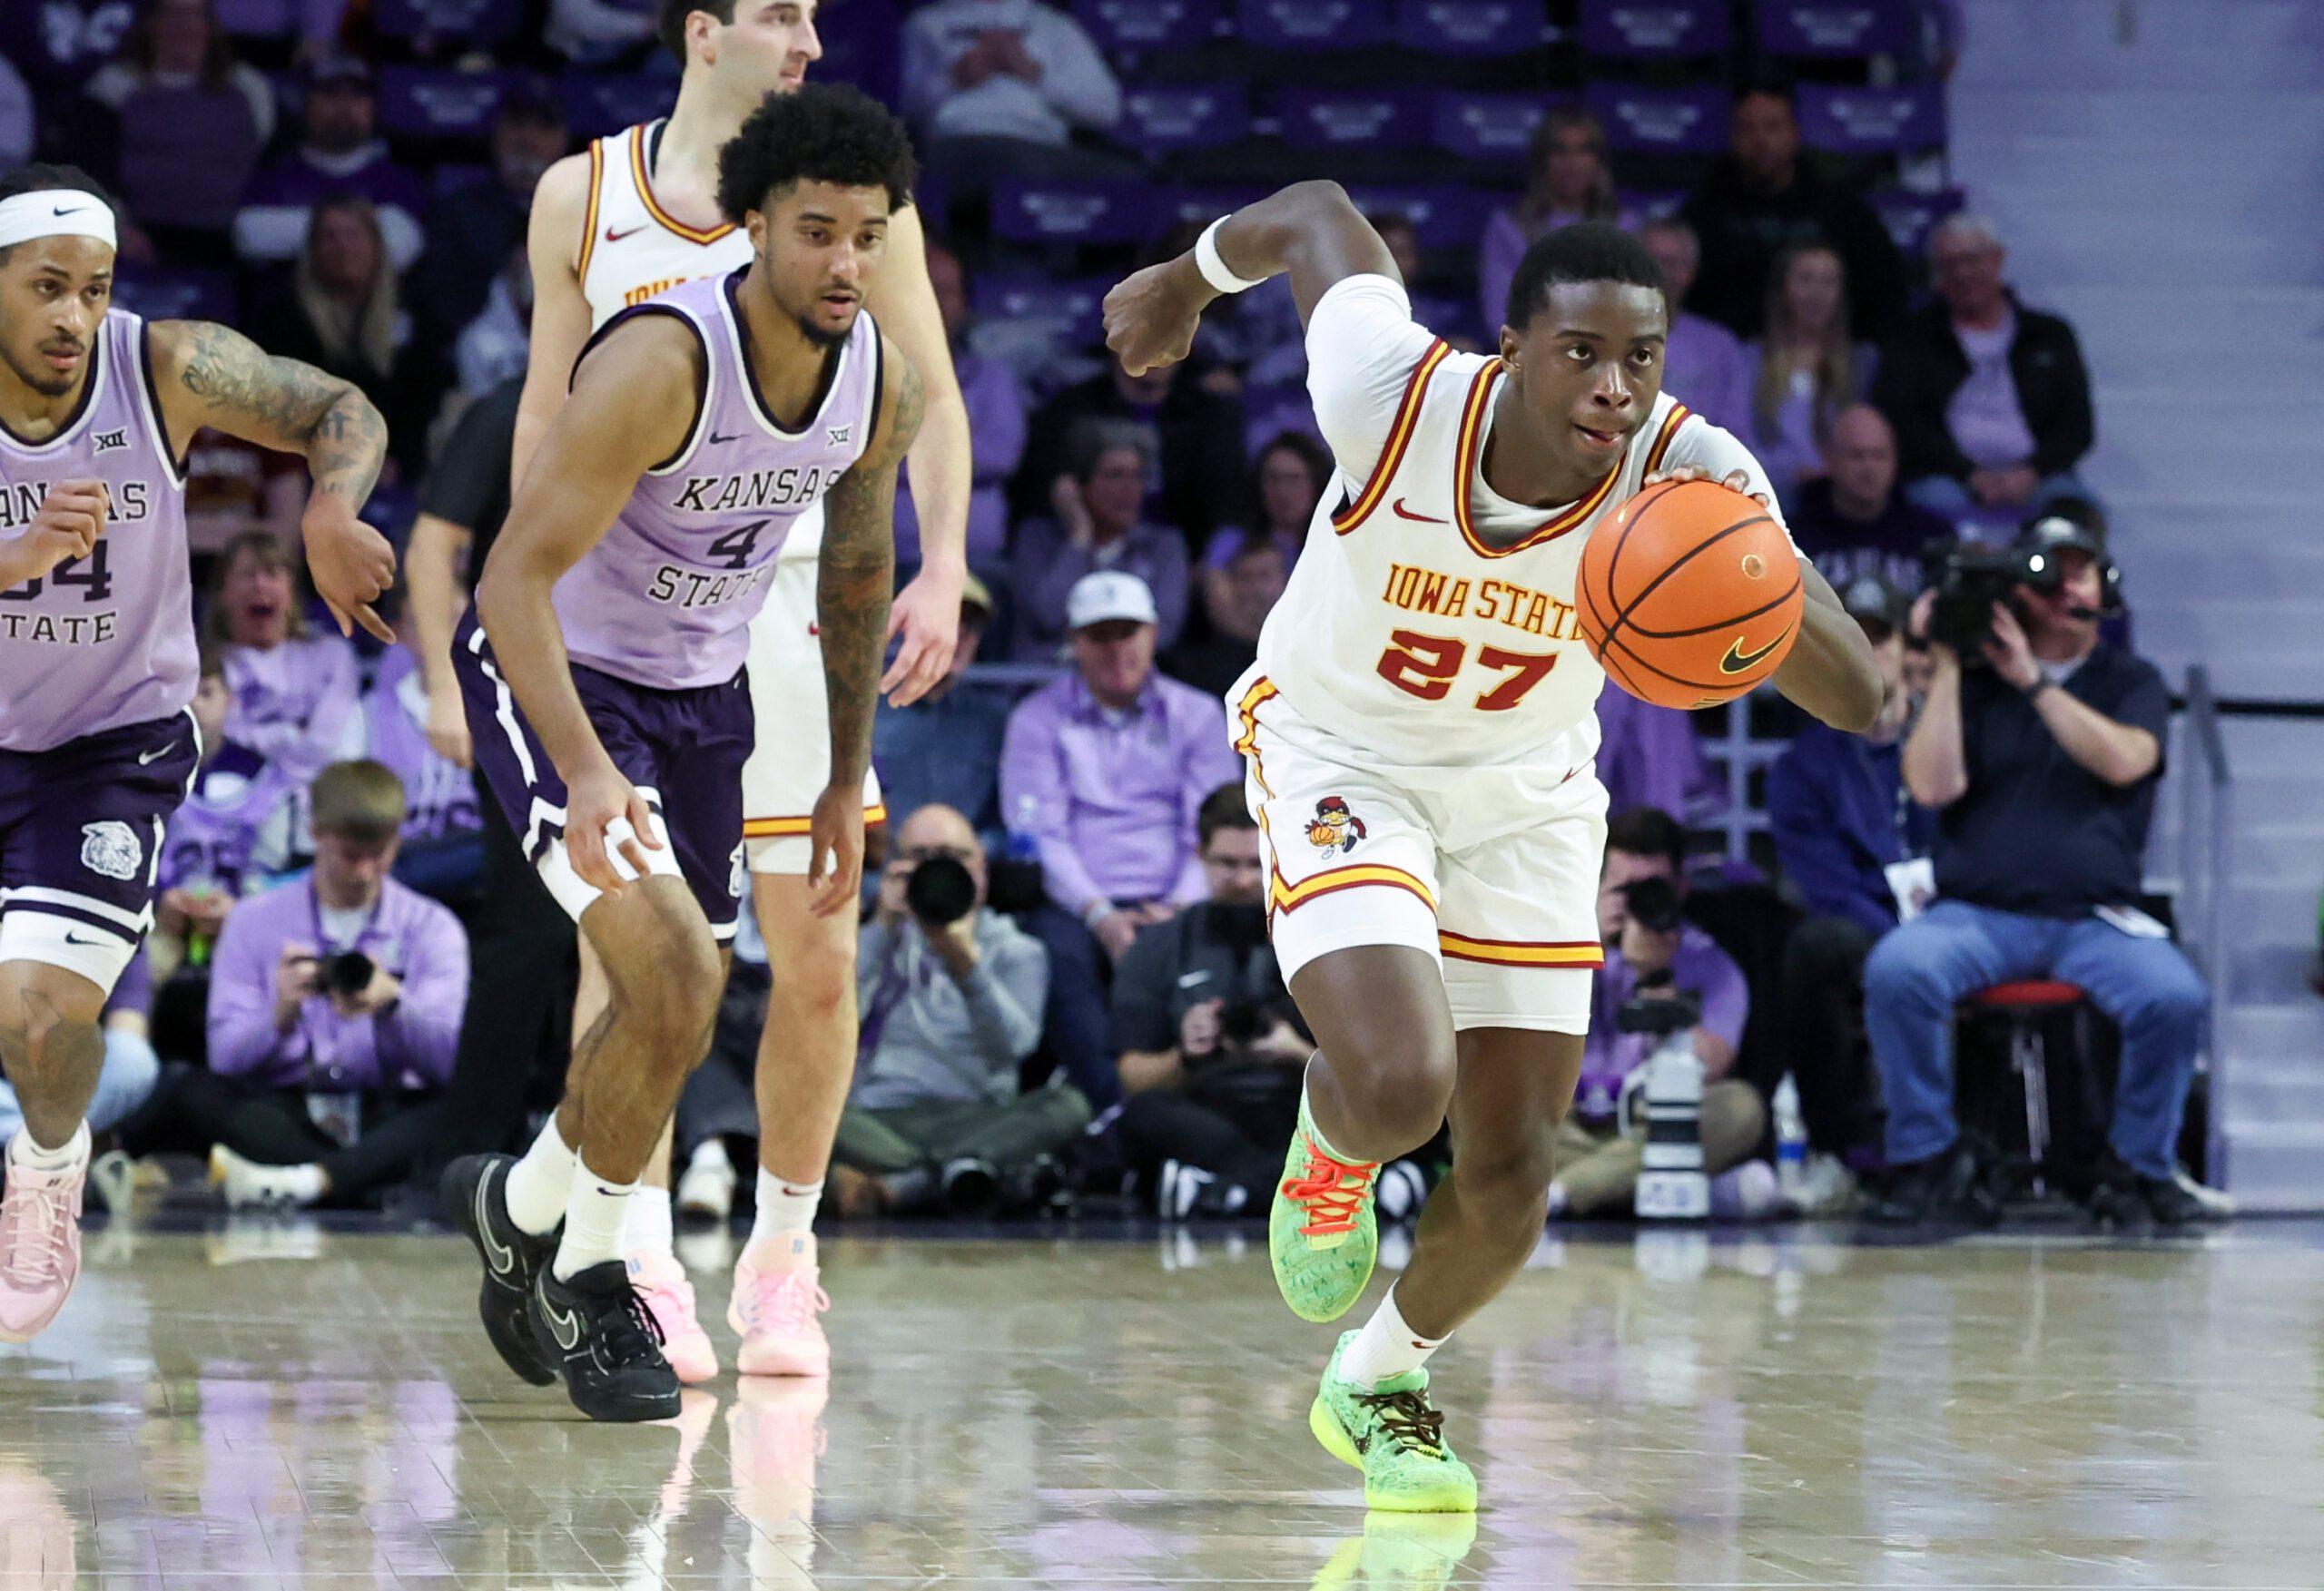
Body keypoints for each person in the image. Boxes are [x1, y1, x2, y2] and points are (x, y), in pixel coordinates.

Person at [1102, 184, 1880, 1510]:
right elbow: (1317, 213)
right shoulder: (1390, 390)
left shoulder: (1694, 475)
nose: (1614, 387)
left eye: (1642, 358)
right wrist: (1184, 277)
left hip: (1524, 795)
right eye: (1581, 352)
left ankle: (1381, 1380)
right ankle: (1335, 1145)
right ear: (1513, 349)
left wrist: (1741, 584)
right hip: (1343, 755)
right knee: (1403, 1084)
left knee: (1513, 1167)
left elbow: (1858, 696)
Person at [505, 0, 975, 1389]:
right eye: (782, 11)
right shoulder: (580, 196)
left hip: (786, 602)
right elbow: (546, 410)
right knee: (637, 961)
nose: (811, 37)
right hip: (633, 611)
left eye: (819, 15)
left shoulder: (844, 205)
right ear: (702, 29)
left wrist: (942, 566)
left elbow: (930, 397)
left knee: (816, 953)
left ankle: (781, 1255)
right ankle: (631, 1248)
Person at [0, 162, 395, 1344]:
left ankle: (49, 1165)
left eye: (96, 287)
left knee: (39, 1013)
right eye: (46, 288)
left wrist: (328, 508)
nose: (75, 315)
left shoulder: (160, 366)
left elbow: (342, 409)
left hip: (109, 741)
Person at [1868, 513, 2204, 1228]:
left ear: (2104, 586)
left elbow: (2125, 759)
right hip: (1978, 916)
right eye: (2048, 571)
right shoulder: (1977, 681)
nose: (2064, 586)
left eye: (2079, 569)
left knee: (2174, 998)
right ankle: (1927, 1155)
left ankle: (2138, 1165)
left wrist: (2033, 682)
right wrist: (1954, 664)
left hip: (2093, 919)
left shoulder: (2129, 679)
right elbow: (1930, 786)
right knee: (1901, 970)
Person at [400, 377, 583, 1184]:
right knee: (527, 933)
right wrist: (446, 682)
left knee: (634, 943)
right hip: (520, 693)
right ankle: (467, 1157)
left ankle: (602, 1164)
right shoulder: (511, 406)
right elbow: (433, 540)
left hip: (636, 691)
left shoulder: (672, 382)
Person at [1000, 571, 1242, 1107]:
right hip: (1077, 902)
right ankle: (1116, 1107)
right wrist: (1100, 915)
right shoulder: (1036, 719)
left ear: (1153, 634)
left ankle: (1217, 1104)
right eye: (1099, 635)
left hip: (1181, 894)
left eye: (1126, 632)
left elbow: (1210, 828)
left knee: (1224, 948)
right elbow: (1040, 834)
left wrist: (1175, 906)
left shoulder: (1199, 715)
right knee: (1054, 960)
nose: (1116, 649)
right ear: (1074, 641)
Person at [188, 760, 468, 1209]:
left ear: (398, 840)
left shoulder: (433, 927)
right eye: (350, 855)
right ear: (316, 834)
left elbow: (454, 1064)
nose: (364, 872)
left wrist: (394, 1003)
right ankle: (354, 1180)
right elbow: (225, 1057)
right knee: (195, 1092)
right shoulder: (252, 921)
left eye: (379, 854)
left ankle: (309, 1184)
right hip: (290, 1106)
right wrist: (280, 1011)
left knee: (474, 1101)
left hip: (391, 1105)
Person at [1767, 575, 1933, 1178]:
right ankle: (1835, 1144)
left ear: (1908, 652)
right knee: (1815, 946)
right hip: (1873, 929)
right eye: (1855, 635)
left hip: (1955, 921)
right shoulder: (1801, 768)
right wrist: (1908, 943)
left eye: (1881, 637)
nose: (1868, 650)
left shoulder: (1943, 738)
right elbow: (1829, 886)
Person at [827, 802, 1068, 1217]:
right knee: (798, 1109)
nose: (936, 870)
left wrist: (965, 963)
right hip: (877, 1118)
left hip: (977, 1116)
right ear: (895, 867)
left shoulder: (1018, 950)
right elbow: (828, 1026)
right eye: (920, 858)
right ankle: (953, 1175)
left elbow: (1015, 1047)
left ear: (982, 870)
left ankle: (905, 1182)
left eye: (953, 858)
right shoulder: (868, 938)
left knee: (1069, 1106)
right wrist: (882, 928)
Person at [1552, 809, 1767, 1220]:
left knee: (1741, 1109)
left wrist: (1656, 979)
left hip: (1651, 1119)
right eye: (1625, 890)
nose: (1638, 903)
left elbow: (1713, 1065)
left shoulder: (1711, 965)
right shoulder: (1563, 946)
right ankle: (1674, 1191)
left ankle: (1560, 1193)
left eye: (1652, 889)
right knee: (1485, 1110)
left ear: (1680, 889)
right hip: (1571, 1120)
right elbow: (1521, 1044)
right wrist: (1582, 945)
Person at [1112, 786, 1315, 1217]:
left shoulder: (1320, 941)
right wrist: (1186, 1056)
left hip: (1297, 1107)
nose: (1242, 880)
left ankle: (1226, 1190)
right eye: (1227, 863)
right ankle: (1282, 1189)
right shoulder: (1159, 946)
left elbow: (1368, 1071)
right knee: (1141, 1115)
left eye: (1255, 864)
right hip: (1206, 1108)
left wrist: (1297, 1055)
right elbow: (1132, 1079)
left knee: (1382, 1115)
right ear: (1199, 855)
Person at [1870, 214, 2095, 524]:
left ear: (1997, 261)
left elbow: (2077, 425)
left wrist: (2030, 473)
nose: (1962, 273)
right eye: (1950, 265)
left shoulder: (2050, 335)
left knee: (2075, 516)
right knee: (1932, 509)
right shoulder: (1913, 338)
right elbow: (1905, 423)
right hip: (1947, 476)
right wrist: (1969, 475)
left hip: (2038, 476)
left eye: (1972, 261)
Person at [1678, 84, 1905, 344]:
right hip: (1731, 361)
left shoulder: (1842, 209)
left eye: (1773, 127)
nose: (1761, 140)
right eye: (1748, 128)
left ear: (1795, 133)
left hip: (1833, 363)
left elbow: (1886, 294)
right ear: (1732, 138)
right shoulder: (1704, 213)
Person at [248, 193, 429, 479]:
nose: (342, 247)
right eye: (329, 237)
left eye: (353, 235)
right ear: (313, 250)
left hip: (394, 466)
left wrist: (399, 461)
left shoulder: (414, 314)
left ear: (376, 245)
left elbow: (420, 405)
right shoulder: (285, 319)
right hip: (310, 467)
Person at [79, 0, 271, 266]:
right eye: (172, 14)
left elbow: (267, 159)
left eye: (195, 15)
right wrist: (120, 228)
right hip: (140, 236)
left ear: (211, 26)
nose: (184, 25)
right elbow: (93, 168)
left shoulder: (248, 87)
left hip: (227, 238)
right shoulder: (112, 86)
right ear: (150, 24)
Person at [1009, 417, 1191, 660]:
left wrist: (1090, 652)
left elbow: (1165, 631)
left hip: (1128, 684)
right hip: (1044, 682)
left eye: (1137, 476)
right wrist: (1079, 536)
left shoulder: (1164, 546)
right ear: (1076, 485)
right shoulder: (1037, 538)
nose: (1129, 489)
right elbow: (1046, 616)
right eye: (1114, 475)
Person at [200, 529, 362, 800]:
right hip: (238, 805)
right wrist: (292, 733)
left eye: (272, 573)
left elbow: (327, 742)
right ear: (222, 593)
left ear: (291, 591)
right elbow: (219, 742)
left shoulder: (332, 655)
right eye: (248, 574)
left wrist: (261, 739)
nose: (260, 584)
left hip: (326, 803)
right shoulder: (205, 666)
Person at [1013, 355, 1245, 544]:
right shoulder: (1067, 412)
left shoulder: (1210, 416)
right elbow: (1038, 500)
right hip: (1084, 553)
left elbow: (1228, 506)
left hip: (1182, 566)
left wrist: (1211, 568)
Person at [900, 0, 1125, 191]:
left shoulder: (1053, 25)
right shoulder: (926, 24)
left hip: (1038, 145)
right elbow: (899, 106)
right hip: (957, 141)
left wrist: (1033, 73)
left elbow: (1107, 109)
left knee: (1127, 180)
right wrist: (954, 80)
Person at [892, 242, 1023, 568]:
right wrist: (958, 445)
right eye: (924, 289)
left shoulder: (993, 378)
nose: (934, 302)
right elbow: (861, 457)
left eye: (946, 291)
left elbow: (999, 457)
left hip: (976, 560)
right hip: (884, 560)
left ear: (965, 303)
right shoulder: (868, 375)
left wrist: (904, 451)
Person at [232, 56, 427, 273]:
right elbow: (250, 236)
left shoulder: (398, 180)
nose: (344, 105)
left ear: (374, 107)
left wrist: (292, 233)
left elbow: (401, 247)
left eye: (357, 95)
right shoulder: (273, 175)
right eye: (330, 93)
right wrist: (365, 231)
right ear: (305, 103)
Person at [409, 85, 569, 348]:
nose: (528, 139)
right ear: (496, 134)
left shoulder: (589, 215)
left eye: (544, 126)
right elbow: (436, 303)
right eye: (516, 124)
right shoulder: (457, 211)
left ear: (563, 140)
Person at [871, 574, 1010, 840]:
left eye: (971, 624)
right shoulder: (863, 710)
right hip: (880, 865)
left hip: (964, 865)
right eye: (948, 619)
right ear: (905, 624)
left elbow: (1002, 821)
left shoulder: (993, 720)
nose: (959, 634)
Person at [1477, 108, 1628, 347]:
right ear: (1542, 159)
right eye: (1560, 151)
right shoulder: (1508, 227)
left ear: (1599, 161)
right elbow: (1499, 317)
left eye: (1584, 151)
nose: (1572, 163)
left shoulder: (1625, 227)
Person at [1741, 243, 1876, 506]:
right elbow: (1741, 437)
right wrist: (1788, 473)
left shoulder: (1862, 362)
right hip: (1770, 491)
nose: (1817, 293)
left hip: (1840, 496)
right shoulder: (1749, 358)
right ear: (1783, 290)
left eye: (1829, 281)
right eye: (1805, 279)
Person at [1785, 404, 1952, 597]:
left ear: (1895, 461)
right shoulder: (1792, 538)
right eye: (1857, 455)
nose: (1869, 468)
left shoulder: (1933, 536)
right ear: (1830, 459)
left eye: (1879, 455)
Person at [360, 641, 484, 899]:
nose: (444, 631)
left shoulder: (495, 700)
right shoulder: (370, 711)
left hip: (481, 841)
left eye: (455, 617)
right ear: (400, 630)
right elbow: (346, 794)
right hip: (403, 850)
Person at [1633, 217, 1751, 436]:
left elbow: (1736, 434)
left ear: (1689, 271)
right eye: (1651, 261)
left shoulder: (1721, 346)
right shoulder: (1603, 338)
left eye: (1670, 263)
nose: (1660, 273)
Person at [1164, 529, 1287, 701]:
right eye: (1245, 577)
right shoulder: (1198, 668)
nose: (1256, 588)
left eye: (1264, 576)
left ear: (1284, 580)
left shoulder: (1300, 650)